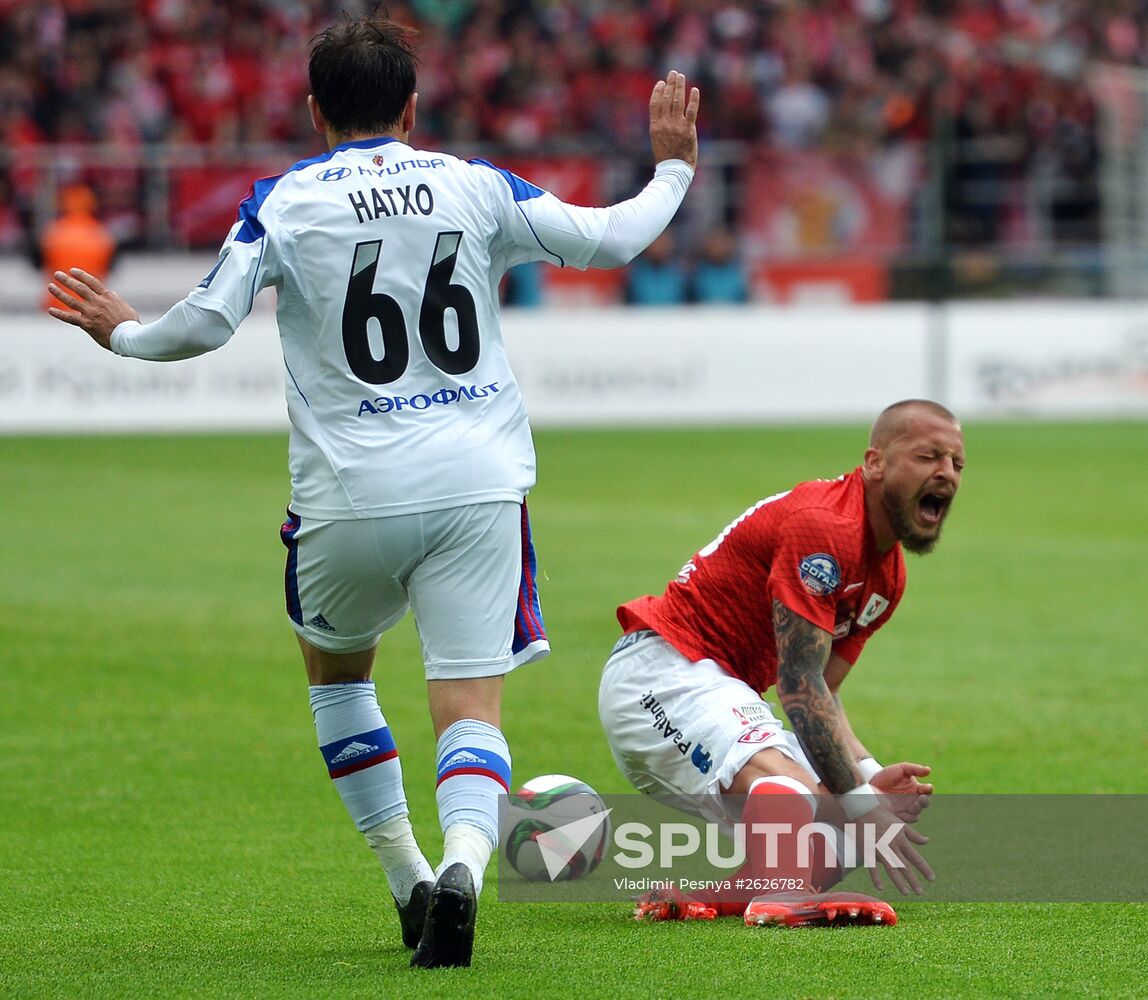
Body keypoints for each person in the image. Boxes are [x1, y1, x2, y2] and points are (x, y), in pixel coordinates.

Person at [46, 14, 700, 969]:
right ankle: (468, 868)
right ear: (412, 107)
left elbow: (205, 324)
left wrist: (123, 333)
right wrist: (674, 168)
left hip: (348, 493)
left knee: (339, 676)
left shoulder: (284, 200)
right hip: (478, 487)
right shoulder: (476, 186)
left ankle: (408, 877)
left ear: (314, 111)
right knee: (469, 706)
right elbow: (611, 241)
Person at [599, 399, 964, 926]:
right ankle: (785, 898)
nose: (946, 474)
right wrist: (860, 800)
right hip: (665, 671)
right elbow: (796, 683)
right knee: (809, 792)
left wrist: (867, 776)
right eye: (929, 456)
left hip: (716, 694)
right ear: (875, 461)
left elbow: (825, 693)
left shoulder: (888, 576)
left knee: (848, 834)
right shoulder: (826, 527)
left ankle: (714, 898)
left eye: (956, 463)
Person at [36, 183, 116, 313]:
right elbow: (110, 268)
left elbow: (39, 264)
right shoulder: (102, 235)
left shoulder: (52, 233)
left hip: (56, 305)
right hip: (92, 309)